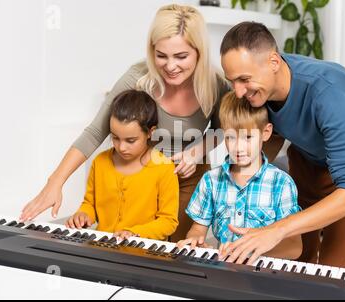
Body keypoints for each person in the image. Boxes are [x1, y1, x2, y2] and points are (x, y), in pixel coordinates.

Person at [20, 4, 231, 242]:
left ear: (199, 52)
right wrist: (55, 182)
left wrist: (196, 152)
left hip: (188, 181)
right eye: (161, 55)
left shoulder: (215, 85)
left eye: (181, 56)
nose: (170, 66)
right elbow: (95, 131)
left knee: (175, 255)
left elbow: (225, 128)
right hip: (141, 179)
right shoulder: (137, 78)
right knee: (135, 249)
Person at [219, 22, 345, 268]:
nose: (239, 91)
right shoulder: (259, 87)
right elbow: (263, 139)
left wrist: (277, 229)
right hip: (307, 160)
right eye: (232, 81)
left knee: (331, 270)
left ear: (274, 62)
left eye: (244, 79)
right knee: (298, 258)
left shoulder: (328, 95)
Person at [177, 92, 302, 260]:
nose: (238, 148)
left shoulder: (281, 183)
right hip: (224, 269)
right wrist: (195, 240)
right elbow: (198, 229)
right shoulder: (211, 180)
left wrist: (245, 251)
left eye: (248, 137)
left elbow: (293, 248)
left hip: (262, 275)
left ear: (266, 132)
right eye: (230, 137)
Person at [65, 89, 179, 240]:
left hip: (142, 253)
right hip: (103, 248)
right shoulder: (100, 162)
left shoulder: (164, 167)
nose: (122, 147)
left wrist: (135, 233)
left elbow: (168, 221)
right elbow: (89, 204)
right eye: (115, 138)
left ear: (150, 132)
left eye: (131, 140)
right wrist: (83, 214)